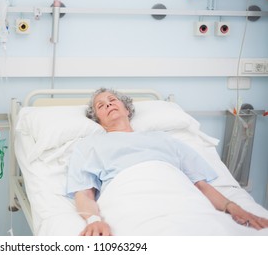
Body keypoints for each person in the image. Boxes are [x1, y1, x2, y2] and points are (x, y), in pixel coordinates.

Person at [66, 88, 268, 236]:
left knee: (212, 231)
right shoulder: (89, 145)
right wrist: (93, 220)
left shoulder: (165, 139)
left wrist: (233, 208)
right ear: (98, 119)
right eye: (101, 105)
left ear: (127, 109)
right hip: (129, 195)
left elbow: (200, 185)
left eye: (112, 100)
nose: (108, 104)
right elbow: (83, 193)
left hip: (179, 193)